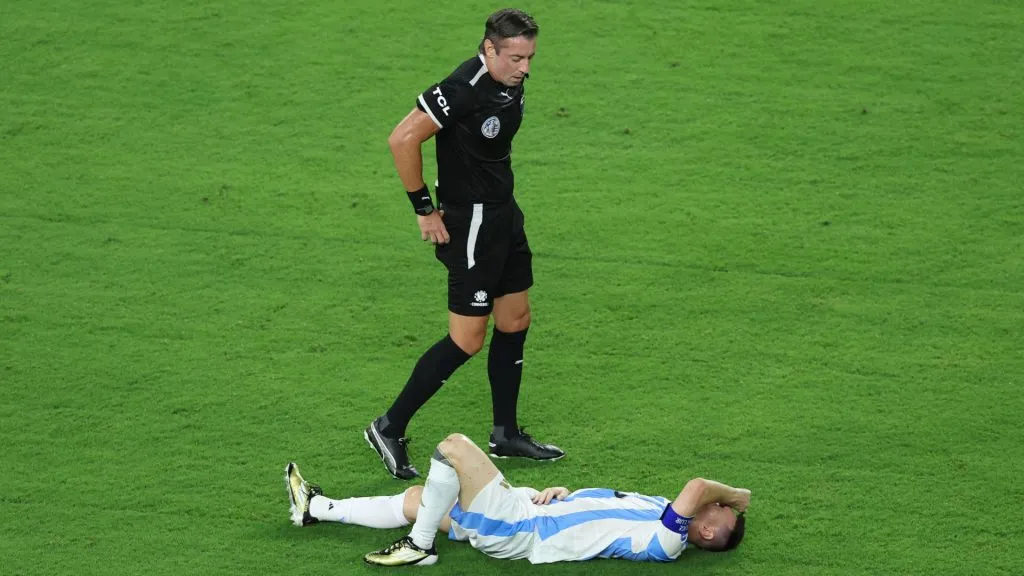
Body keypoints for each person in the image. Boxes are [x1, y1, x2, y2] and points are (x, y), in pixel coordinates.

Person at [365, 8, 562, 481]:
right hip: (470, 223)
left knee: (516, 318)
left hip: (503, 214)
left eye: (530, 57)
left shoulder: (508, 79)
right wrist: (423, 208)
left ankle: (505, 433)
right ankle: (388, 426)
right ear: (489, 49)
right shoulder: (464, 86)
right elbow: (402, 138)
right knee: (467, 339)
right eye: (515, 57)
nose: (525, 68)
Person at [285, 434, 750, 566]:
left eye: (718, 510)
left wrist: (735, 496)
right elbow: (599, 512)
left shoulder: (666, 543)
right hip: (530, 512)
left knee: (454, 448)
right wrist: (565, 495)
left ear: (706, 530)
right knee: (419, 498)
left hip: (519, 530)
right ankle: (317, 510)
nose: (712, 502)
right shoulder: (658, 509)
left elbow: (696, 487)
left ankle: (420, 546)